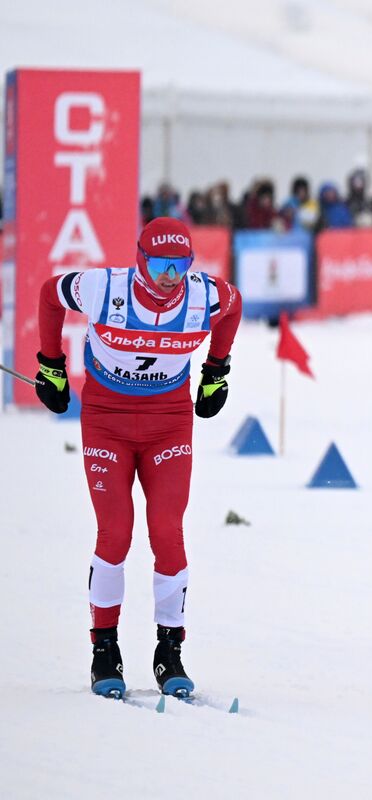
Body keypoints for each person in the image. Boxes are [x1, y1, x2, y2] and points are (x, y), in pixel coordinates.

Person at [32, 218, 243, 699]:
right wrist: (51, 364)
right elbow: (49, 295)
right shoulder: (104, 288)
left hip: (168, 423)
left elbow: (234, 308)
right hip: (107, 422)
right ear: (140, 259)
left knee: (167, 531)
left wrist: (216, 370)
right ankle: (104, 649)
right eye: (160, 265)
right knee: (116, 532)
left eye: (180, 266)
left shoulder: (203, 295)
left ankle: (170, 650)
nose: (170, 276)